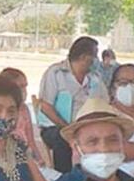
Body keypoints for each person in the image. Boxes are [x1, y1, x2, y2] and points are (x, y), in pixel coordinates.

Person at [36, 36, 106, 173]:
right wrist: (67, 128)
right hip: (57, 127)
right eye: (95, 56)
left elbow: (105, 101)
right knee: (62, 140)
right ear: (84, 57)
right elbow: (45, 107)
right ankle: (65, 177)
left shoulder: (95, 77)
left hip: (85, 125)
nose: (97, 60)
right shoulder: (55, 73)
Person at [0, 67, 47, 169]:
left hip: (26, 157)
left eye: (25, 86)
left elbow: (30, 141)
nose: (24, 91)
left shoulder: (24, 109)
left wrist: (40, 160)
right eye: (20, 87)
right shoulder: (0, 112)